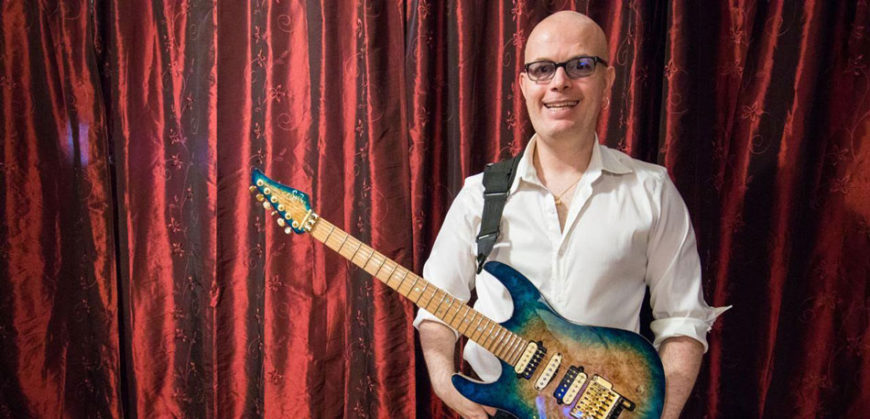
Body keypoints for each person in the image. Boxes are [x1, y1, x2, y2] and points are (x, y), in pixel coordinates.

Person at [413, 10, 728, 419]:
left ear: (607, 80)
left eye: (580, 65)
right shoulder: (479, 196)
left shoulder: (651, 191)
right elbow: (437, 306)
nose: (559, 82)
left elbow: (683, 320)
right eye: (542, 69)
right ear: (524, 85)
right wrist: (446, 384)